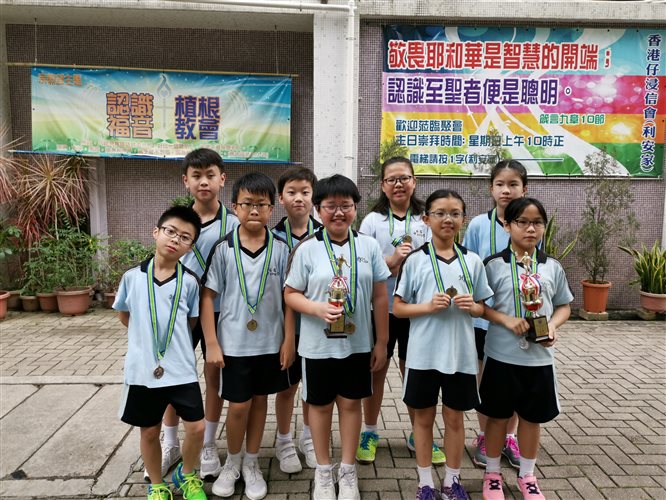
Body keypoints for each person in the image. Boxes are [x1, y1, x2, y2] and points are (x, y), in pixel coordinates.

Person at [284, 174, 390, 500]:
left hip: (358, 344)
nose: (339, 212)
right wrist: (316, 308)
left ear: (356, 208)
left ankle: (347, 470)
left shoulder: (368, 246)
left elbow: (380, 296)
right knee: (319, 406)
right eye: (331, 206)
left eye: (346, 205)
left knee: (351, 404)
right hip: (317, 346)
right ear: (318, 209)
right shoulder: (307, 249)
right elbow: (290, 294)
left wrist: (382, 342)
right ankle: (323, 471)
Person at [393, 189, 493, 500]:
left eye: (454, 213)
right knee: (423, 420)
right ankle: (425, 483)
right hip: (423, 355)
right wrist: (426, 306)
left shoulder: (472, 261)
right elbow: (398, 308)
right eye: (440, 213)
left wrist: (473, 307)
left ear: (464, 219)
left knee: (454, 419)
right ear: (426, 219)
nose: (447, 219)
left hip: (460, 355)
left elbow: (483, 307)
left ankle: (452, 481)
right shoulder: (415, 260)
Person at [201, 172, 294, 500]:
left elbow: (289, 298)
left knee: (259, 403)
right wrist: (211, 343)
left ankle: (252, 462)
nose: (254, 210)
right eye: (247, 203)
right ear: (234, 206)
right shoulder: (223, 248)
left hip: (270, 343)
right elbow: (208, 297)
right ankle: (232, 461)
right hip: (234, 345)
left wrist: (289, 340)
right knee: (238, 406)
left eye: (262, 204)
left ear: (272, 208)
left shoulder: (281, 248)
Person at [151, 148, 239, 481]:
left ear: (222, 179)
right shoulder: (177, 223)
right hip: (181, 313)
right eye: (196, 176)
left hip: (221, 313)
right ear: (185, 181)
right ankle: (171, 443)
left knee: (214, 376)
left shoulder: (234, 223)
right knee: (173, 376)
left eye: (210, 175)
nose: (204, 182)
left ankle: (207, 444)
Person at [479, 197, 573, 500]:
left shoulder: (551, 266)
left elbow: (564, 305)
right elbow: (480, 306)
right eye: (522, 222)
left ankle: (528, 476)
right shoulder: (493, 265)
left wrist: (553, 325)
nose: (530, 229)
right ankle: (492, 474)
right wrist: (506, 319)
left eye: (537, 223)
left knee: (532, 418)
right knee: (497, 417)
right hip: (501, 355)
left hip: (539, 358)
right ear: (507, 225)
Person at [114, 206, 207, 500]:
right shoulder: (132, 277)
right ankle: (156, 485)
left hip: (181, 368)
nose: (175, 239)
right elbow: (125, 315)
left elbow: (191, 322)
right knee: (149, 431)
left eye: (185, 237)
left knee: (197, 427)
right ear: (156, 232)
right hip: (143, 370)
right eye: (170, 231)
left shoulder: (190, 281)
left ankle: (187, 474)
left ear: (190, 247)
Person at [357, 156, 437, 465]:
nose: (398, 184)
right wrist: (391, 262)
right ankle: (369, 431)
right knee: (376, 369)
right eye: (392, 179)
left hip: (417, 310)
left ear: (414, 181)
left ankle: (420, 433)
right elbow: (364, 265)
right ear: (383, 185)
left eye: (404, 178)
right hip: (381, 309)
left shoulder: (426, 219)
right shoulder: (372, 221)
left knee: (413, 371)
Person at [462, 159, 528, 469]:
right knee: (483, 378)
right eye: (500, 184)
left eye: (513, 184)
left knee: (513, 377)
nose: (506, 190)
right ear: (491, 189)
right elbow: (467, 266)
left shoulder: (528, 222)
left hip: (517, 319)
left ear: (524, 188)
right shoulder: (477, 225)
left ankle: (510, 436)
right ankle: (484, 435)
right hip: (481, 317)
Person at [272, 166, 322, 473]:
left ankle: (308, 438)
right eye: (291, 192)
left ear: (314, 197)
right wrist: (287, 337)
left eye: (305, 192)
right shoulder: (272, 237)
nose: (299, 198)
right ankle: (283, 441)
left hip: (316, 327)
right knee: (287, 387)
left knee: (311, 386)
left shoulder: (325, 235)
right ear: (281, 198)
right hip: (282, 329)